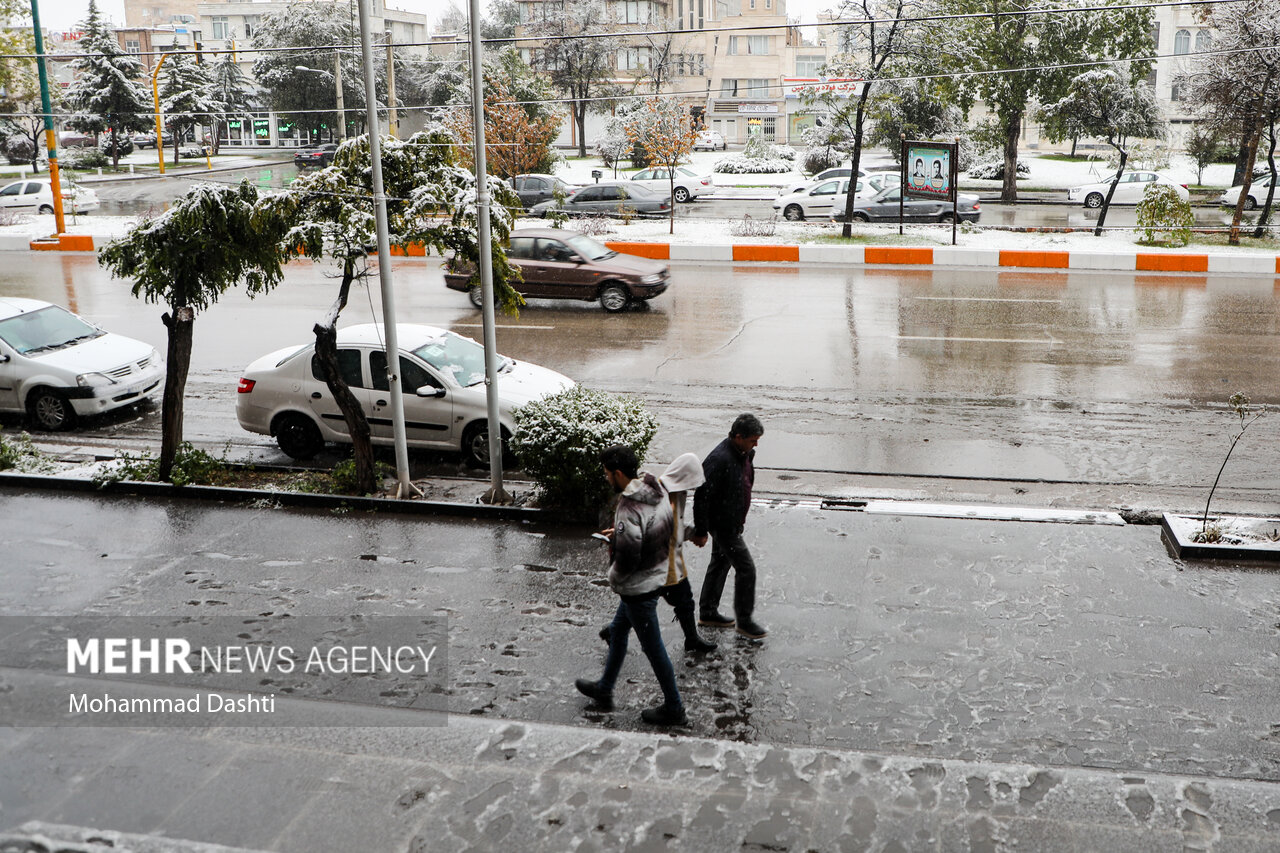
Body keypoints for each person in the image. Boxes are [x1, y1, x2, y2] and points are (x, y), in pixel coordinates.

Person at [575, 445, 687, 726]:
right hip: (655, 576)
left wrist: (613, 577)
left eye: (606, 474)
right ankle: (605, 687)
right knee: (618, 630)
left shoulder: (628, 506)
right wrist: (620, 537)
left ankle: (675, 707)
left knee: (655, 649)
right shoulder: (657, 490)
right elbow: (661, 528)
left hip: (639, 588)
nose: (605, 478)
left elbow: (628, 560)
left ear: (618, 473)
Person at [597, 453, 716, 654]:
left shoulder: (677, 492)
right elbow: (646, 527)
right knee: (672, 600)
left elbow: (673, 526)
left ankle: (614, 631)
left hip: (668, 559)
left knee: (641, 602)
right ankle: (690, 639)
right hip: (661, 561)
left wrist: (692, 533)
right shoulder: (660, 495)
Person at [693, 413, 767, 639]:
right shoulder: (720, 459)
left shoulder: (743, 454)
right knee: (746, 569)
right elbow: (701, 495)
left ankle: (707, 612)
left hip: (732, 521)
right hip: (724, 526)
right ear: (738, 436)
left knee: (720, 563)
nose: (756, 443)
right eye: (753, 439)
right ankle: (744, 622)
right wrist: (701, 530)